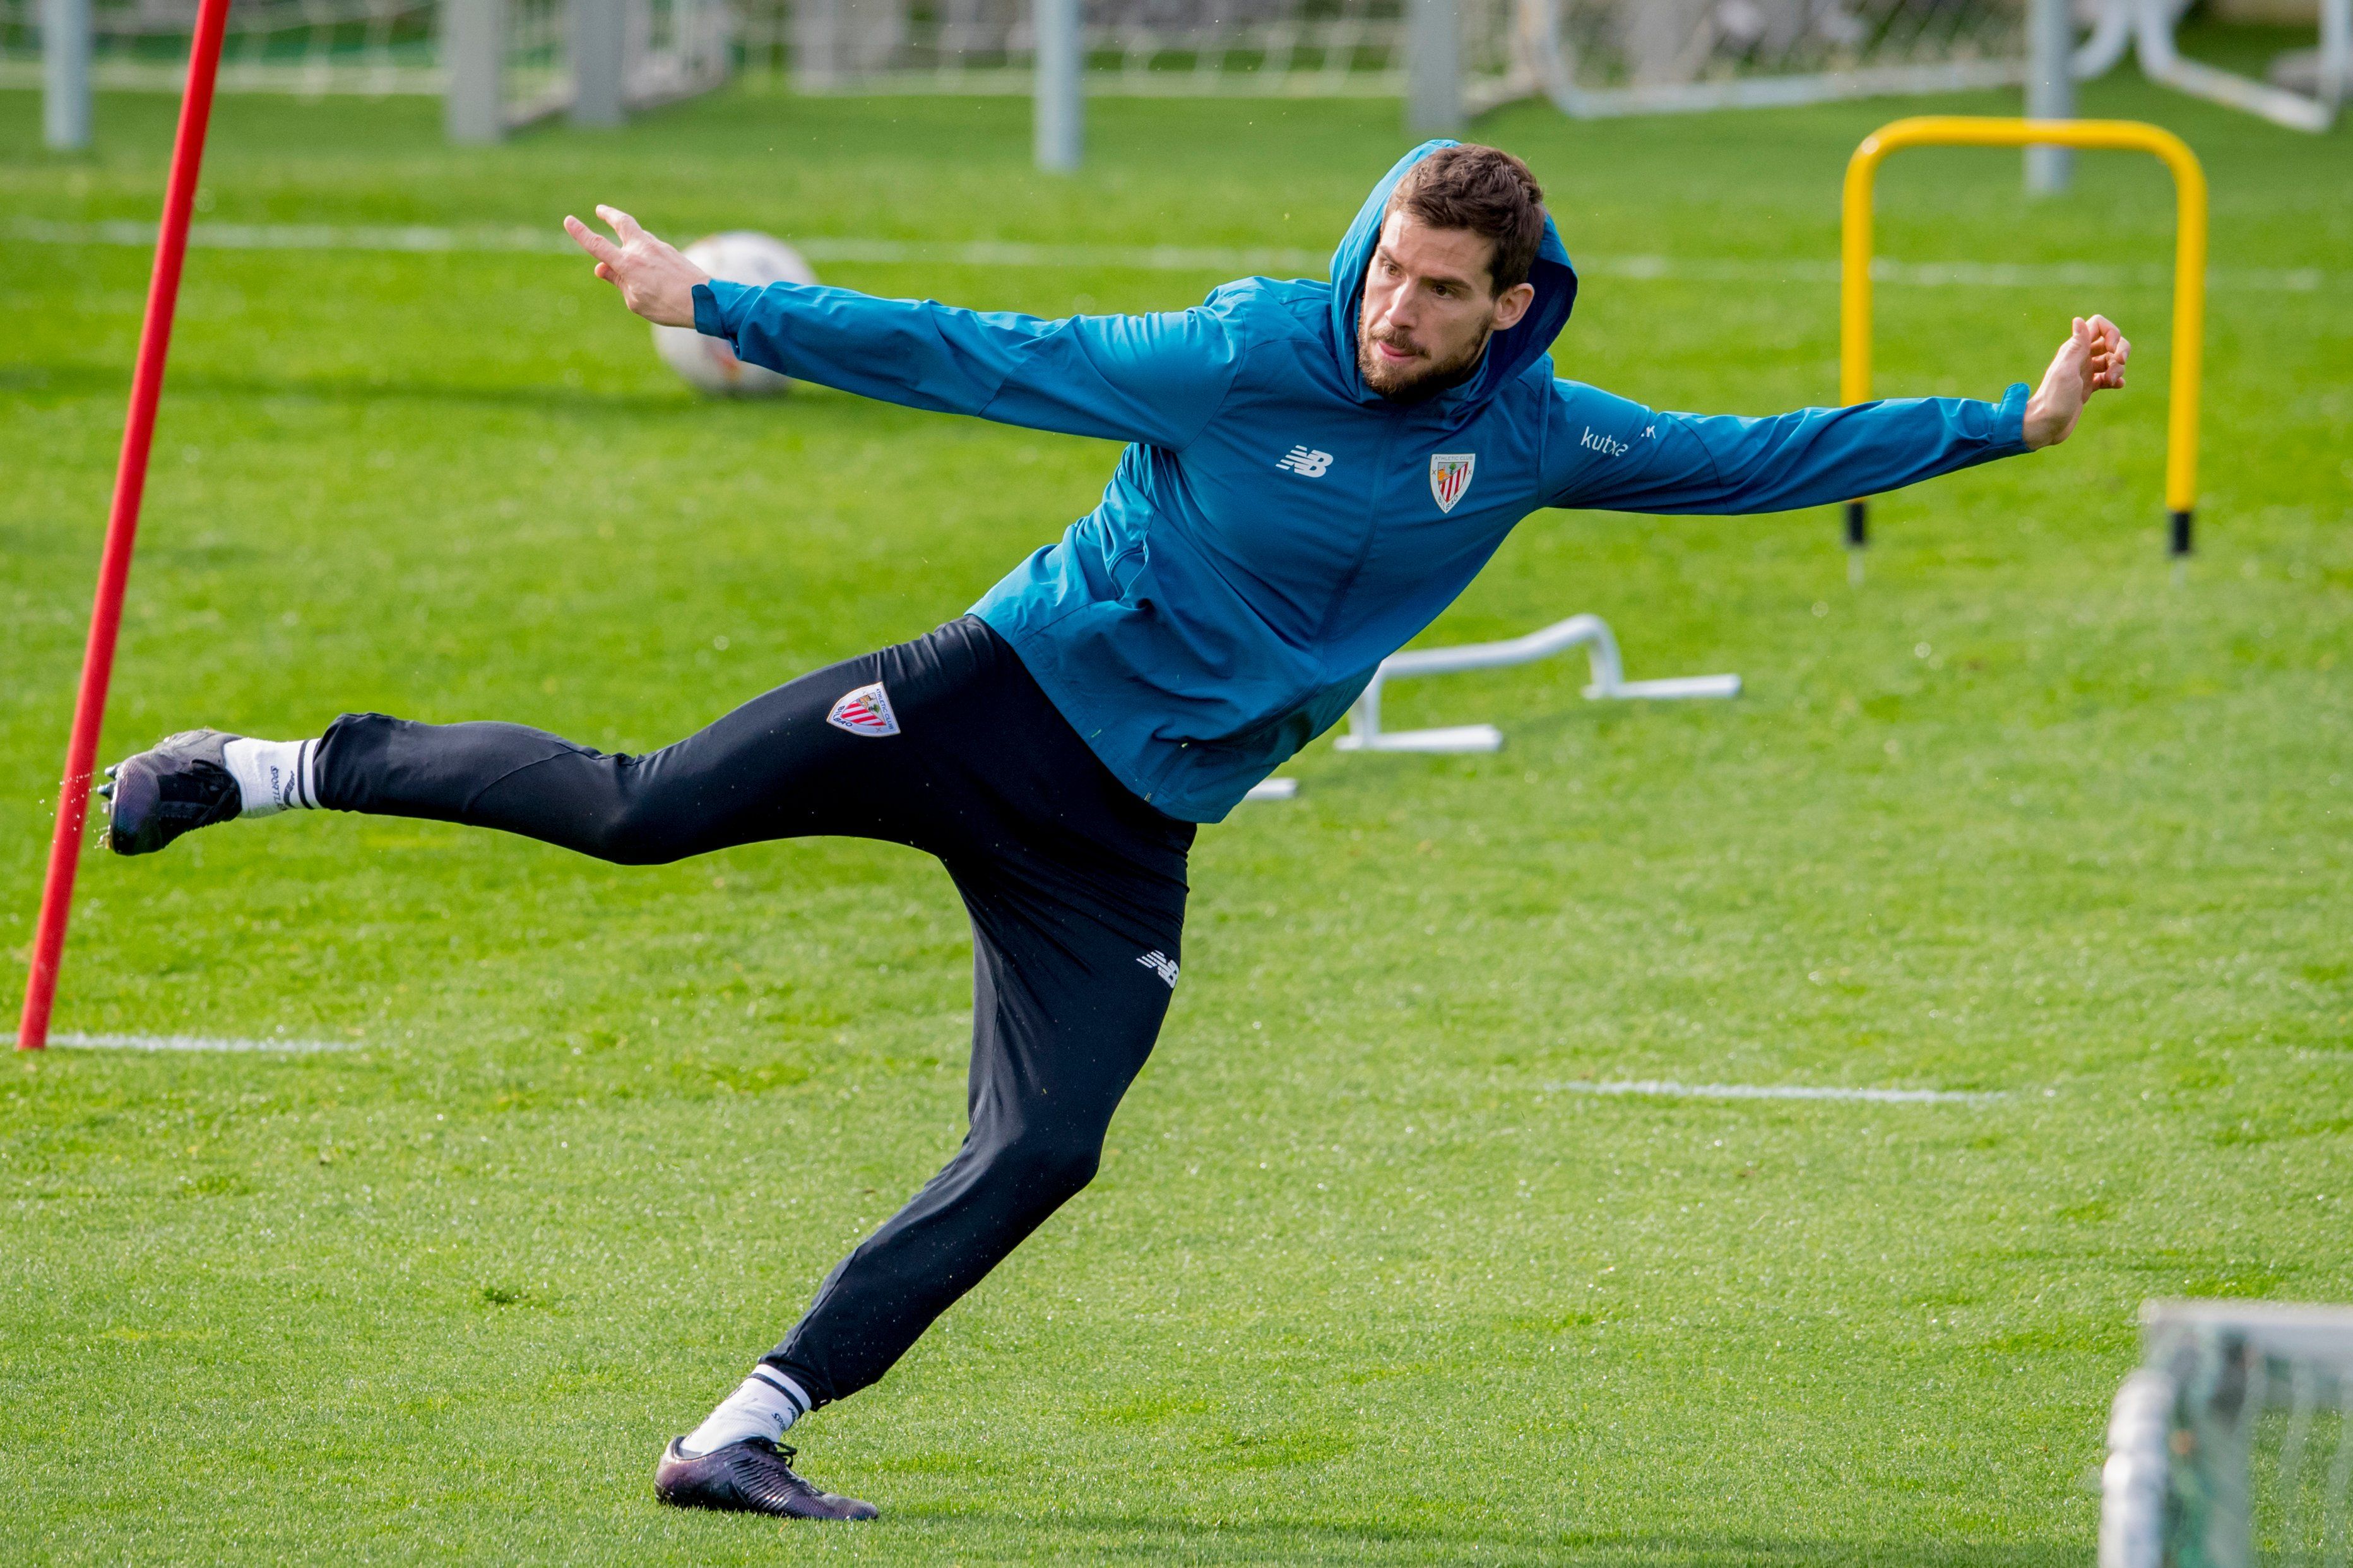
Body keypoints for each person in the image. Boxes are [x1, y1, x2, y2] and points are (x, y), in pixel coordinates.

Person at [101, 141, 2128, 1522]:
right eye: (1385, 275)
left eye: (1436, 296)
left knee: (1051, 1143)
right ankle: (264, 766)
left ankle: (746, 1430)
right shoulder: (1254, 344)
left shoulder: (1531, 440)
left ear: (1514, 308)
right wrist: (717, 303)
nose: (1389, 316)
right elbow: (997, 356)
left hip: (1123, 836)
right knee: (651, 815)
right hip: (987, 699)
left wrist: (2005, 427)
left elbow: (1756, 456)